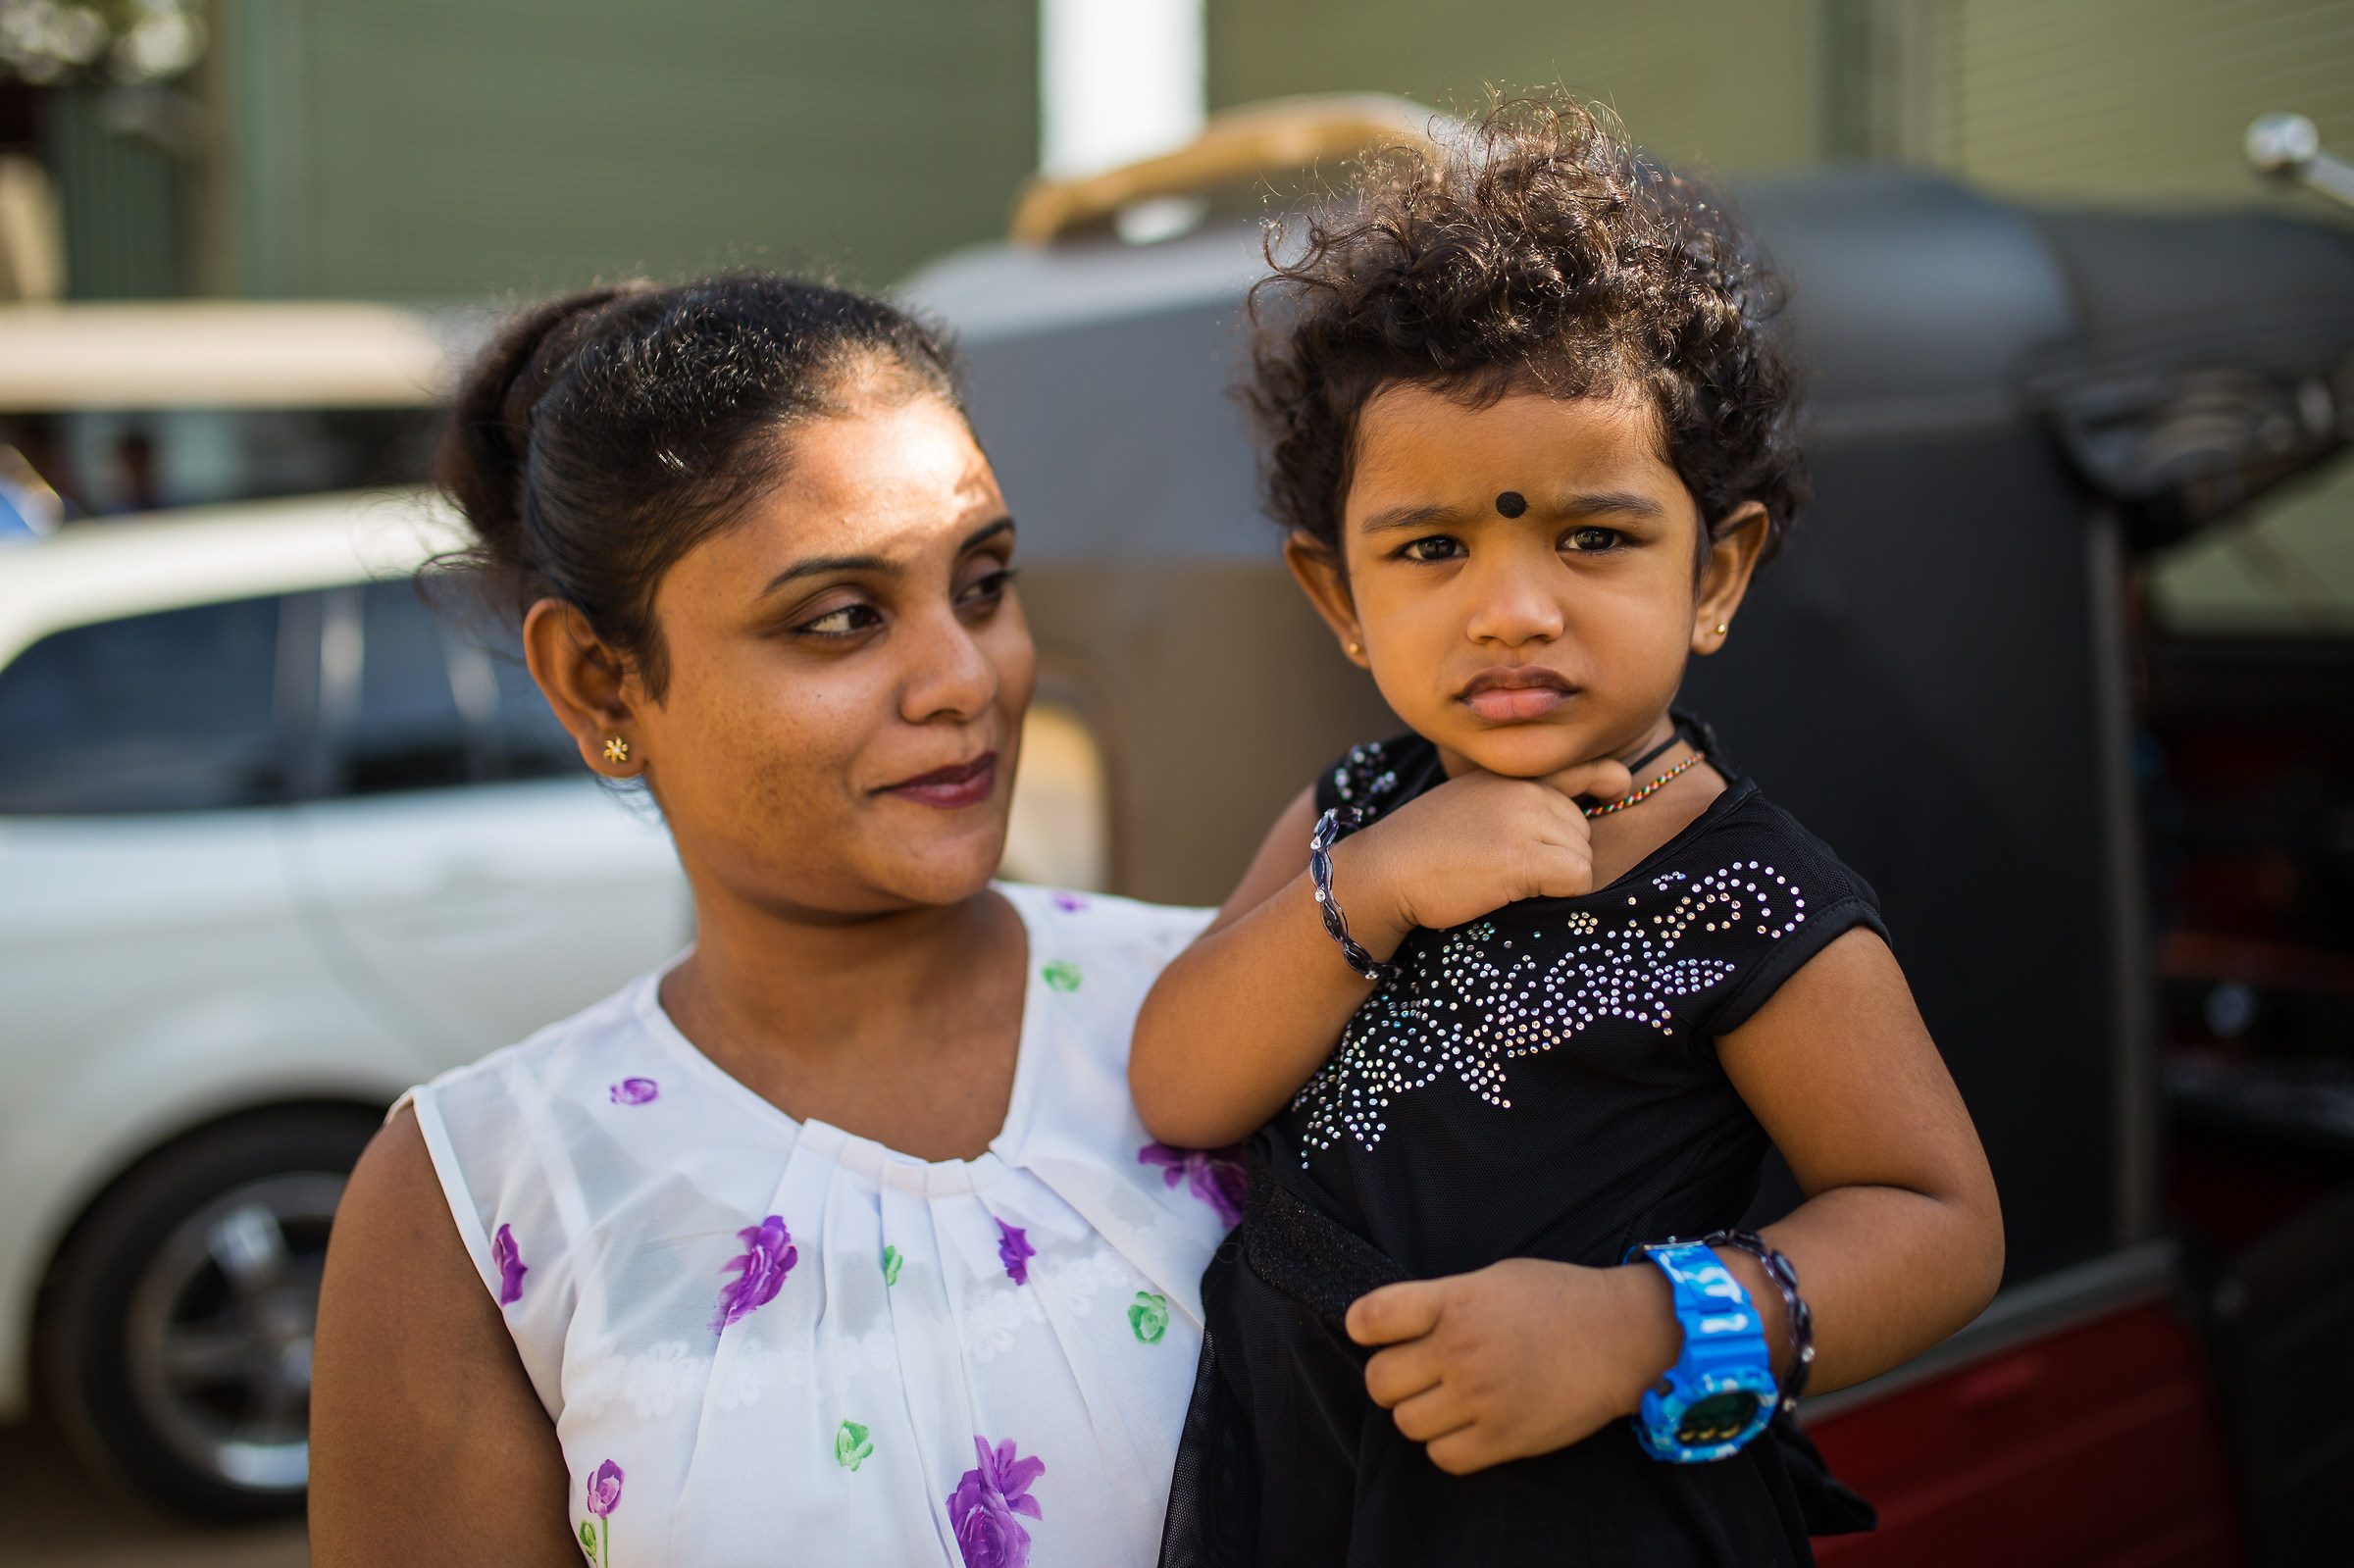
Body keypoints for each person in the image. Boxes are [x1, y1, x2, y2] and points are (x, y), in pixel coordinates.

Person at [1131, 100, 2006, 1567]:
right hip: (1304, 1494)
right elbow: (1183, 1083)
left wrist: (1635, 1327)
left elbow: (1938, 1222)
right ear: (1339, 598)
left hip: (1585, 1516)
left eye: (1594, 538)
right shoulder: (1353, 816)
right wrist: (1380, 888)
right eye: (1431, 549)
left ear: (1715, 573)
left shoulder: (1745, 899)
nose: (1513, 608)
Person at [310, 276, 1240, 1568]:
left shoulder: (1236, 1006)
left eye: (983, 584)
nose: (966, 678)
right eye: (843, 618)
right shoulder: (481, 1201)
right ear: (598, 680)